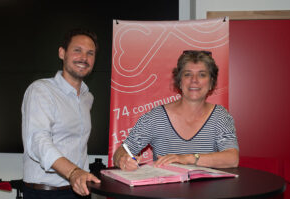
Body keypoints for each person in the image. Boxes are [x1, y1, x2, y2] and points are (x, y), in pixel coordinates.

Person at [113, 50, 239, 171]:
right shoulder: (156, 117)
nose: (194, 80)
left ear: (211, 83)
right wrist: (124, 161)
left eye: (202, 74)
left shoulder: (220, 116)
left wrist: (187, 158)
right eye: (187, 74)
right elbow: (122, 152)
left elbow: (232, 159)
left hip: (208, 192)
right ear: (179, 81)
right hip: (163, 192)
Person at [21, 28, 100, 199]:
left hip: (79, 190)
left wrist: (79, 175)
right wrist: (73, 172)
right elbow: (38, 141)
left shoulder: (88, 97)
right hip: (45, 193)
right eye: (77, 50)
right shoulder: (41, 90)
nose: (84, 58)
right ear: (62, 53)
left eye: (90, 53)